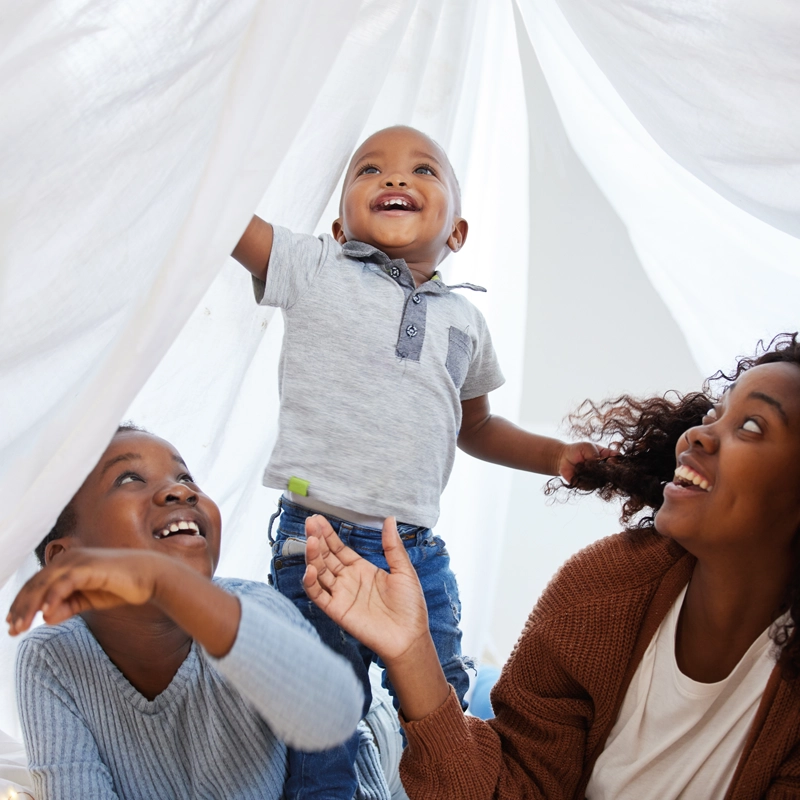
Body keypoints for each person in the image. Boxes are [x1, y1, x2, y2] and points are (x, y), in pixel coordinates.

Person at [231, 124, 607, 797]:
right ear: (340, 224)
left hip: (414, 549)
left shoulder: (465, 322)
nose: (395, 178)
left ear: (456, 232)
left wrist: (555, 454)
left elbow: (480, 428)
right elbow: (230, 225)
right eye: (369, 170)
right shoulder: (317, 266)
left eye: (422, 170)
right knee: (323, 714)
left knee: (441, 697)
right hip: (316, 543)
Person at [303, 332, 800, 798]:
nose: (698, 435)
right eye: (715, 412)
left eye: (751, 426)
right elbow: (511, 787)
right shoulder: (602, 590)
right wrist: (412, 651)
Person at [6, 425, 390, 800]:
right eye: (127, 480)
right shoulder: (51, 659)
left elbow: (334, 719)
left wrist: (169, 585)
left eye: (186, 476)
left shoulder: (257, 609)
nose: (180, 491)